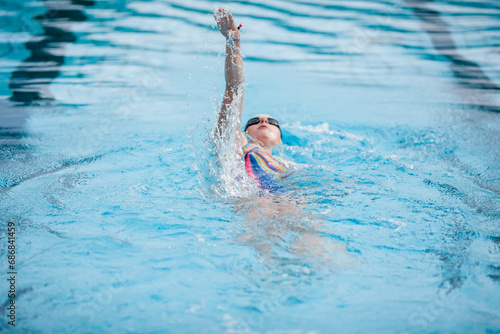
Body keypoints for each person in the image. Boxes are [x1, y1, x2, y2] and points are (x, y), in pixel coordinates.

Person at [213, 8, 288, 194]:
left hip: (288, 198)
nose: (264, 121)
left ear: (280, 140)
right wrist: (233, 41)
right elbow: (234, 88)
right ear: (244, 132)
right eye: (254, 121)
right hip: (252, 200)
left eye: (272, 122)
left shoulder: (288, 166)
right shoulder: (239, 145)